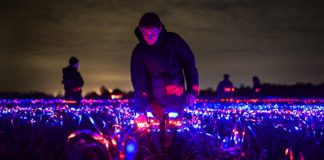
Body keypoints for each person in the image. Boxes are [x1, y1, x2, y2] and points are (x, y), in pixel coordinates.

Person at [131, 12, 199, 123]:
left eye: (152, 33)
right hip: (153, 103)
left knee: (174, 132)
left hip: (176, 98)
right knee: (153, 134)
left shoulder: (174, 41)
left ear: (159, 29)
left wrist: (192, 90)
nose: (149, 37)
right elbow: (139, 81)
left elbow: (189, 63)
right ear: (141, 30)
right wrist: (140, 109)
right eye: (145, 33)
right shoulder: (139, 52)